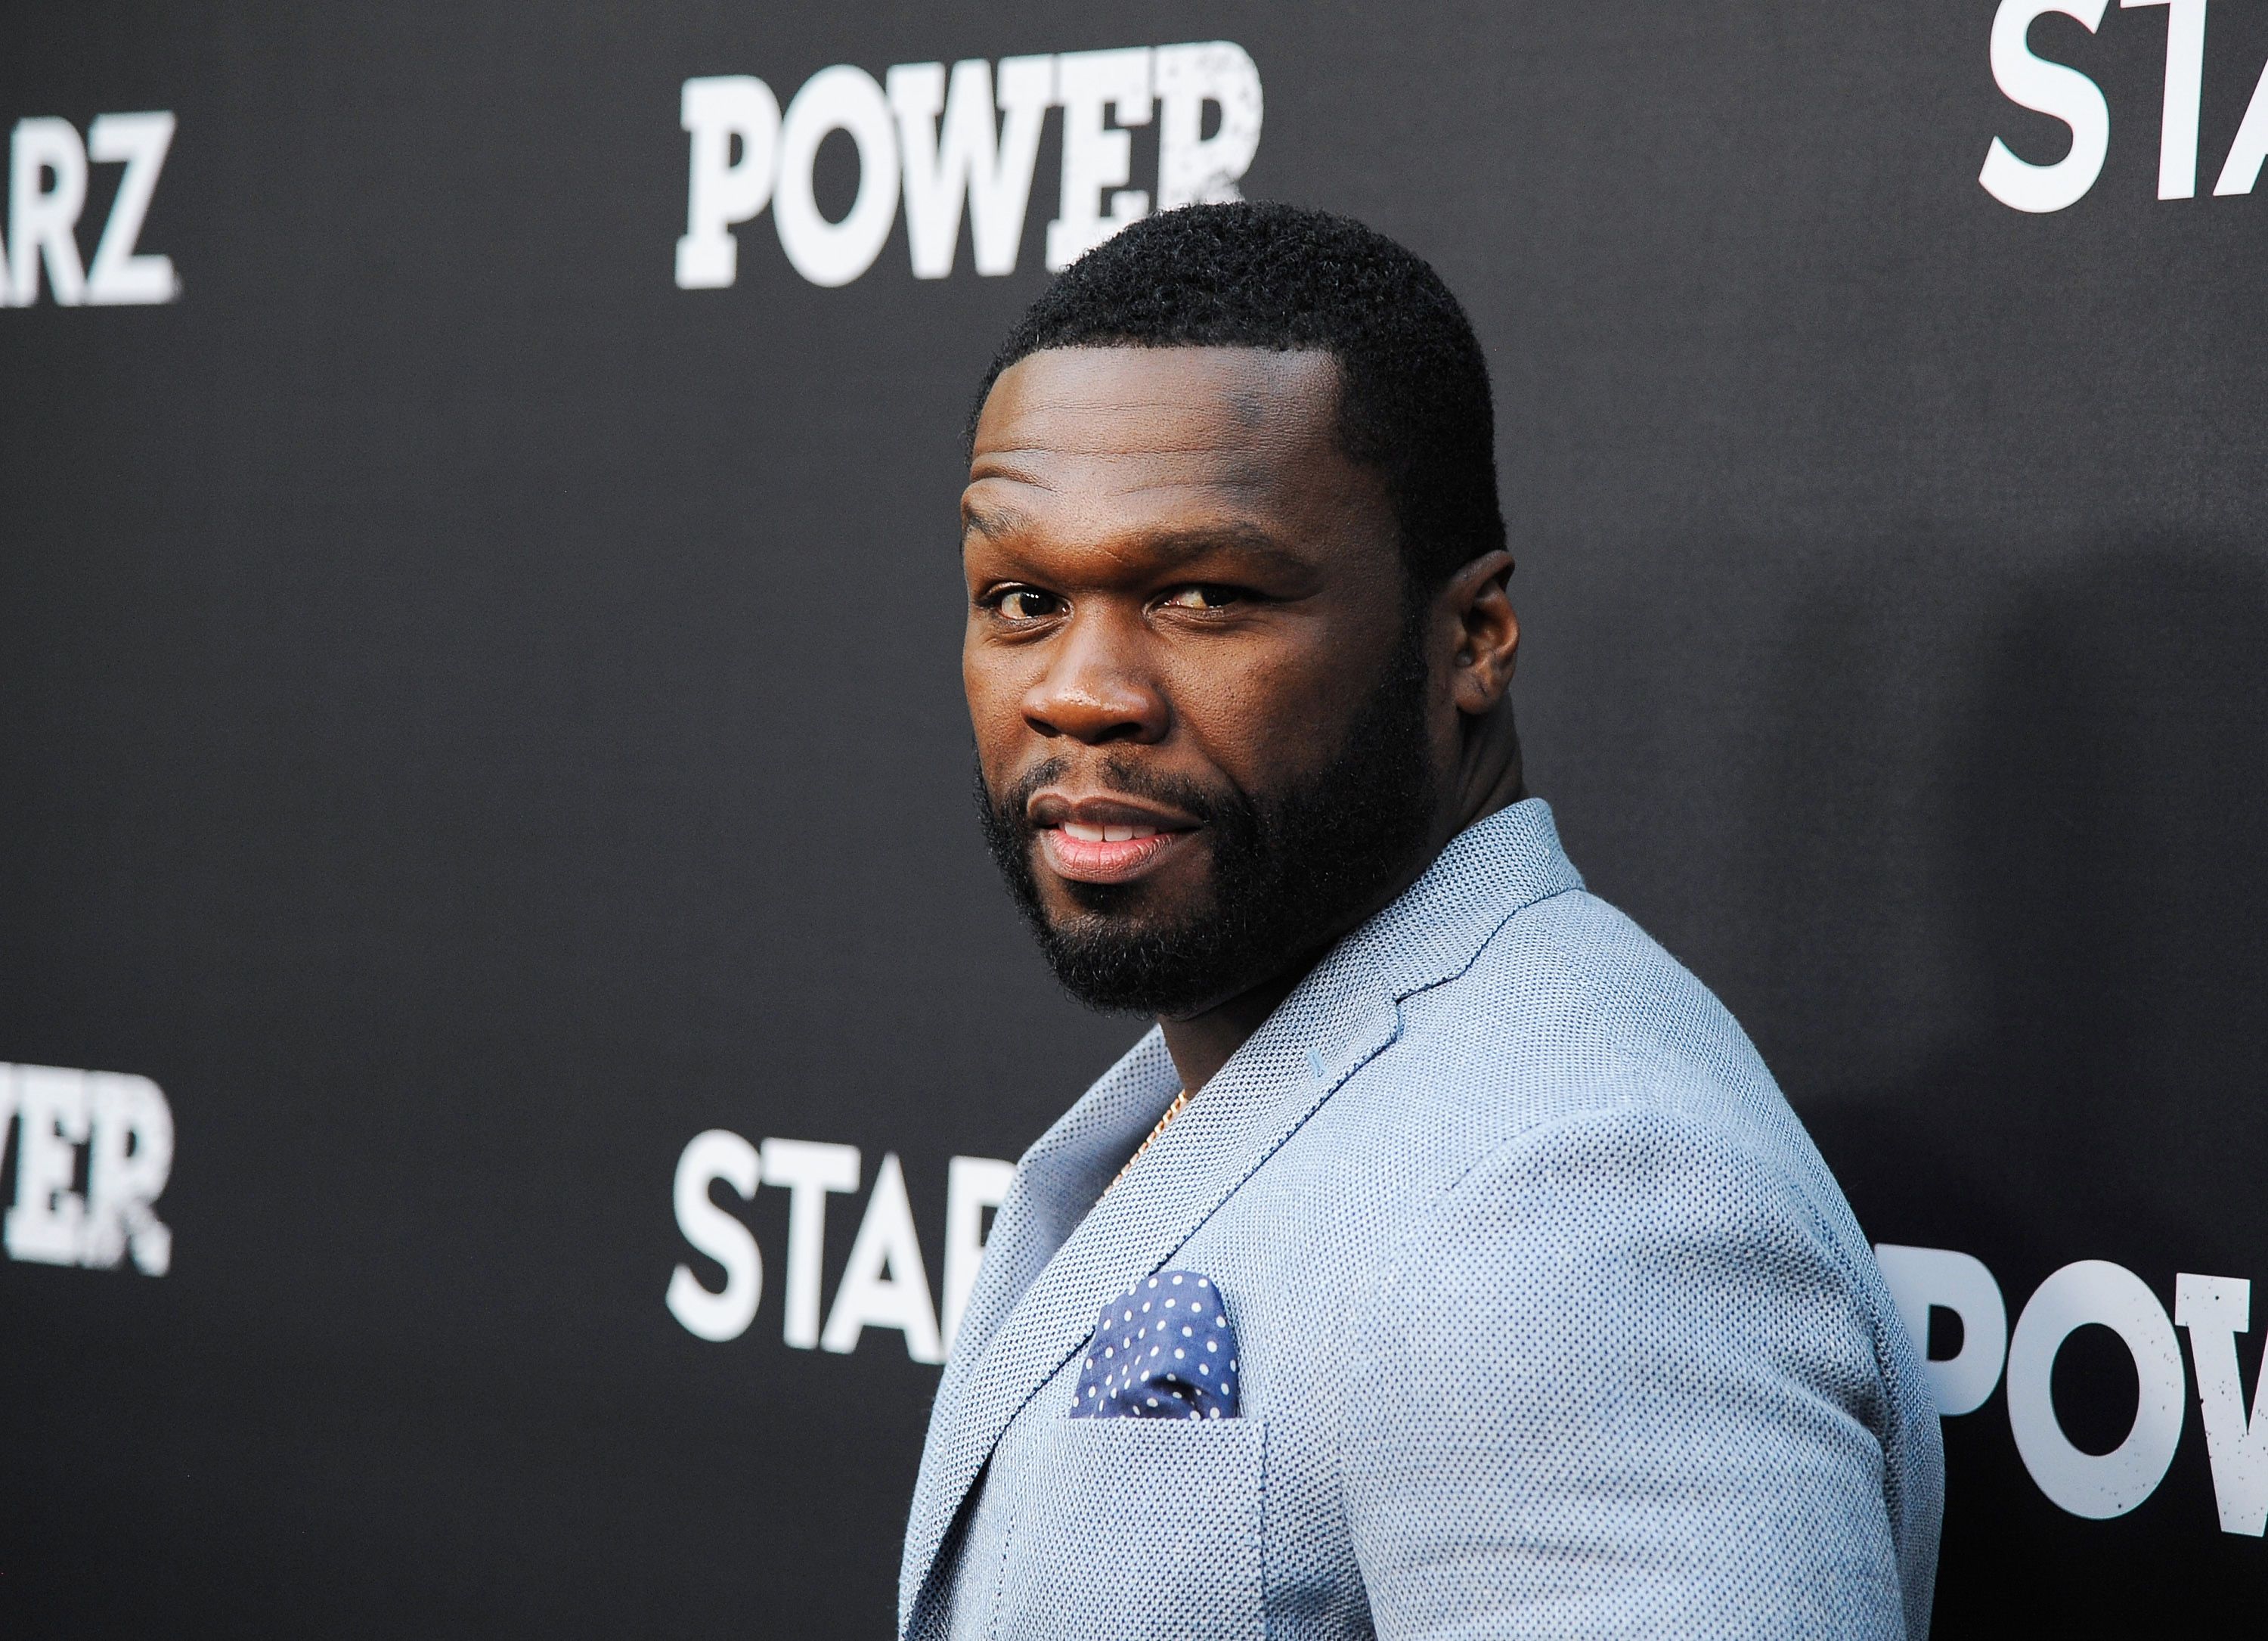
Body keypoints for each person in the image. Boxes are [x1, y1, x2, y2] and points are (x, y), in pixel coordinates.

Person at [901, 202, 1942, 1640]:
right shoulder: (1258, 1063)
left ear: (1471, 640)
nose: (1079, 689)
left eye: (1204, 595)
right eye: (1021, 597)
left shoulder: (1578, 1206)